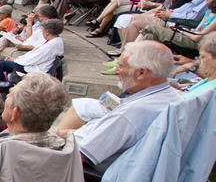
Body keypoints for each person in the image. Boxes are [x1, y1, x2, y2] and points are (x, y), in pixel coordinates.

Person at [54, 41, 183, 171]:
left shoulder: (132, 113)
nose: (116, 71)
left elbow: (78, 155)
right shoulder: (172, 96)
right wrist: (65, 134)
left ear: (141, 73)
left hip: (86, 169)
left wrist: (52, 138)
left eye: (121, 66)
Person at [0, 17, 66, 84]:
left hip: (35, 70)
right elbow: (34, 55)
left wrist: (15, 60)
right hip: (34, 65)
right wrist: (16, 59)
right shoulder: (54, 41)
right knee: (4, 62)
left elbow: (33, 59)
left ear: (47, 32)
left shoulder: (50, 45)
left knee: (2, 63)